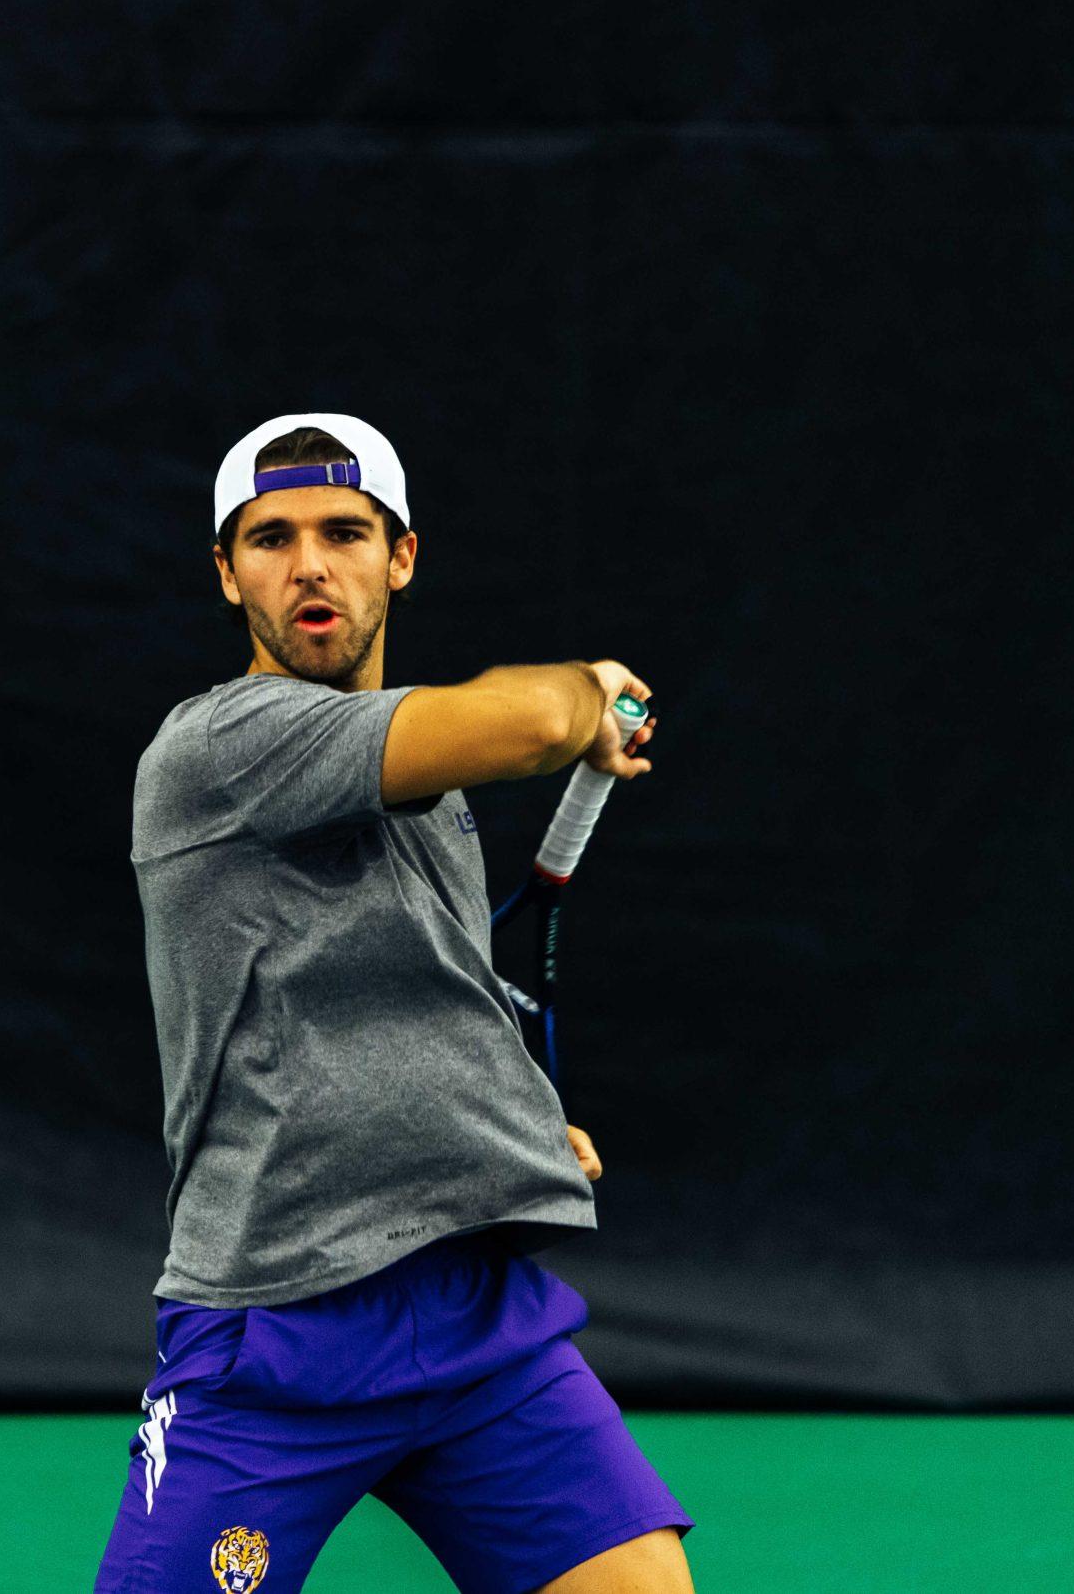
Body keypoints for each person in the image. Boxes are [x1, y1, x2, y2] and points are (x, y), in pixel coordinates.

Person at [95, 414, 694, 1593]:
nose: (308, 564)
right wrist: (589, 693)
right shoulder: (223, 744)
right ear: (227, 574)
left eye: (343, 532)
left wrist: (503, 1120)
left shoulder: (432, 797)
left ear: (400, 557)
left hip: (477, 1326)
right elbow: (531, 724)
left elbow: (420, 992)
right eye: (269, 539)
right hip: (272, 1343)